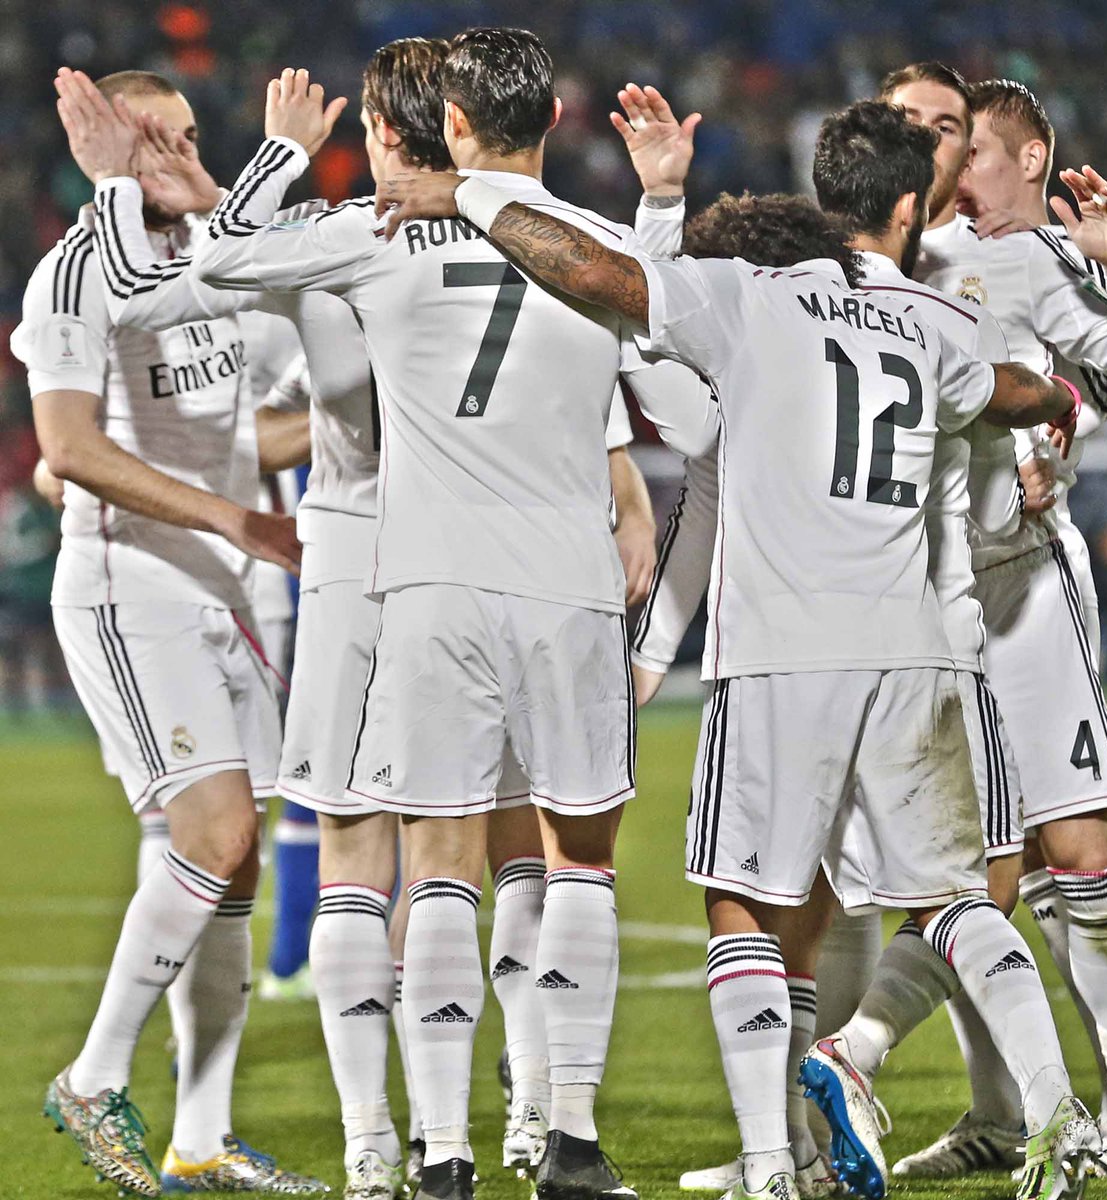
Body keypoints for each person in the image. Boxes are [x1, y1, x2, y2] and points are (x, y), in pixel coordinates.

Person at [375, 111, 1101, 1200]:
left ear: (822, 195)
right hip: (913, 652)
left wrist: (471, 194)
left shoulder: (751, 299)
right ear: (911, 208)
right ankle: (1057, 1121)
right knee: (956, 901)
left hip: (779, 656)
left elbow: (596, 273)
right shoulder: (938, 321)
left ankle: (770, 1162)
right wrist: (1060, 400)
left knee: (745, 909)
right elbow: (1011, 388)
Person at [192, 29, 715, 1200]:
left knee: (434, 863)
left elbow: (221, 261)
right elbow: (687, 391)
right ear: (554, 121)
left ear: (454, 124)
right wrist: (661, 209)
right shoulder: (599, 242)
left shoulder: (372, 236)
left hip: (424, 583)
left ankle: (439, 1155)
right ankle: (568, 1140)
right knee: (576, 860)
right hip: (568, 583)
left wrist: (281, 154)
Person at [886, 68, 1107, 1189]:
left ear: (1027, 160)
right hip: (915, 597)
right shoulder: (886, 257)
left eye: (967, 143)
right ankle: (995, 1111)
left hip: (1020, 588)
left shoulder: (1040, 259)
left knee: (1078, 850)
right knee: (967, 874)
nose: (950, 161)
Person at [14, 67, 321, 1196]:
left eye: (195, 137)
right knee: (215, 829)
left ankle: (203, 1135)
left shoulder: (207, 256)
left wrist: (359, 420)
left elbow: (256, 424)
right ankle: (95, 1076)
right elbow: (70, 449)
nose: (186, 156)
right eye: (162, 139)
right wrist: (233, 515)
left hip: (227, 591)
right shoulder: (74, 275)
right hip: (131, 587)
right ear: (111, 147)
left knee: (233, 867)